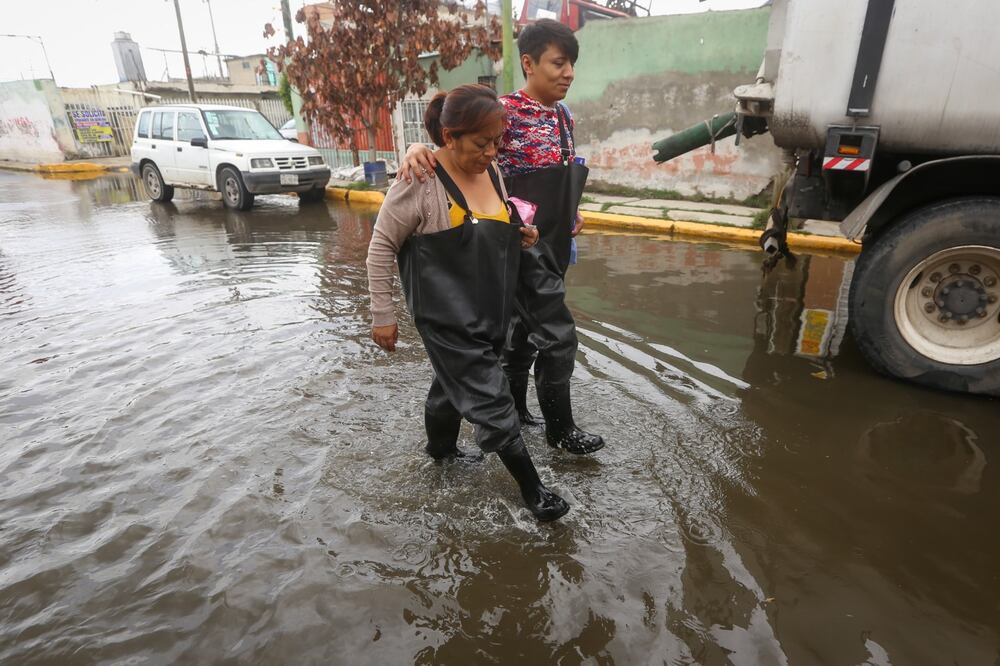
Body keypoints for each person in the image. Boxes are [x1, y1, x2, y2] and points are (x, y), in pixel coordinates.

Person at [398, 19, 604, 456]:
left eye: (572, 65)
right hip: (507, 243)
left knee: (525, 336)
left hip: (548, 242)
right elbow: (453, 141)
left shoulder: (564, 117)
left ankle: (519, 414)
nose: (568, 73)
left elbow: (559, 174)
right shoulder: (504, 112)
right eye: (559, 63)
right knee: (531, 336)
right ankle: (555, 430)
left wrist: (573, 209)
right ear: (528, 63)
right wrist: (416, 149)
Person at [366, 84, 569, 522]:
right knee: (491, 397)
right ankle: (535, 493)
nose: (492, 152)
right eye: (482, 143)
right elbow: (381, 245)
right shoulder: (418, 180)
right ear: (451, 136)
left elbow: (496, 226)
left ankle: (439, 452)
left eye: (498, 142)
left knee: (451, 384)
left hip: (488, 310)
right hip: (445, 316)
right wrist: (383, 316)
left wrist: (522, 235)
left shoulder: (493, 173)